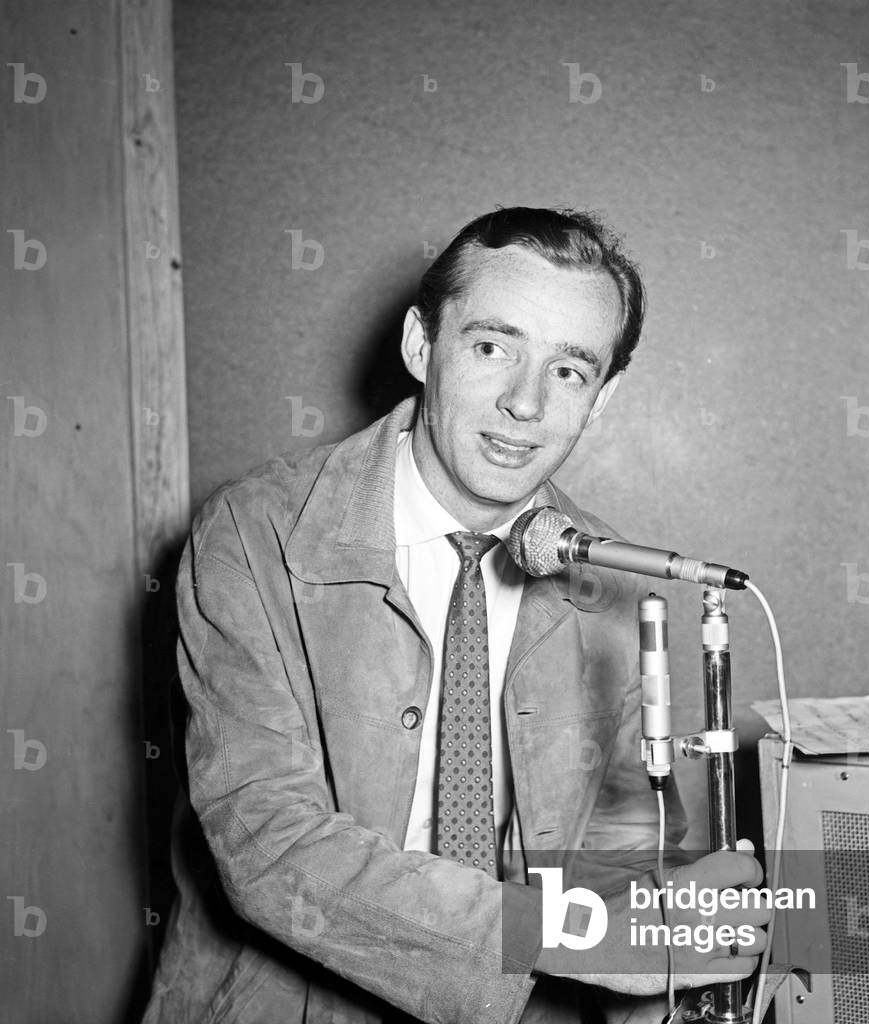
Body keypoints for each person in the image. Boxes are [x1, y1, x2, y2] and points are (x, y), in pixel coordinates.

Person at [141, 207, 769, 1024]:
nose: (524, 403)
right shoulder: (251, 534)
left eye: (568, 370)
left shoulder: (610, 582)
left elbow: (621, 857)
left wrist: (673, 963)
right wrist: (576, 937)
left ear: (602, 399)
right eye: (491, 347)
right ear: (420, 345)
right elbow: (268, 842)